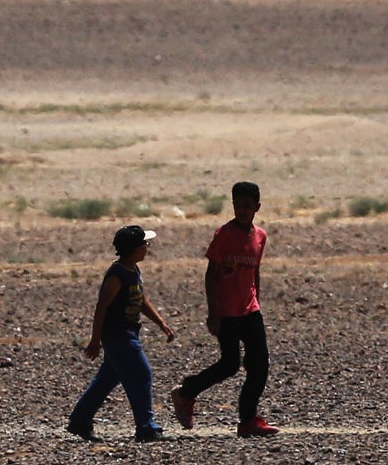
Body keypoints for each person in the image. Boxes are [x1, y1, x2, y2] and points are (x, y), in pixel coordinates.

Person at [171, 182, 277, 437]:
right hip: (227, 311)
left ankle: (247, 420)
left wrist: (257, 302)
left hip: (250, 310)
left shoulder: (260, 236)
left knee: (259, 365)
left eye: (247, 206)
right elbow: (211, 274)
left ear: (257, 207)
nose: (241, 210)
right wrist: (213, 313)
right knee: (230, 364)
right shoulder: (225, 234)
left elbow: (255, 272)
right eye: (237, 205)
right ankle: (186, 392)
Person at [68, 224, 173, 442]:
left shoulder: (133, 270)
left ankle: (80, 420)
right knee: (142, 374)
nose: (147, 247)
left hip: (129, 332)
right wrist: (95, 340)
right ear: (134, 249)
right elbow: (101, 308)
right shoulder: (116, 276)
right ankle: (146, 427)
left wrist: (160, 322)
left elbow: (141, 300)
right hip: (118, 335)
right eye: (144, 244)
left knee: (107, 378)